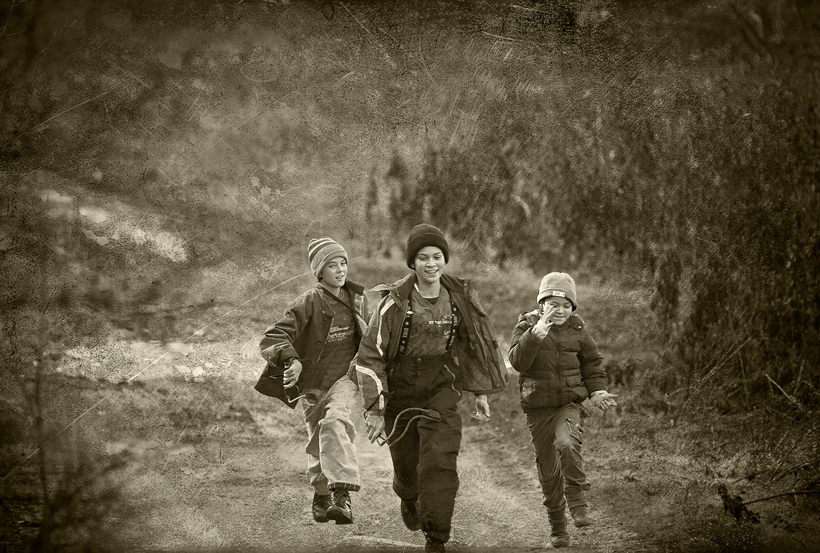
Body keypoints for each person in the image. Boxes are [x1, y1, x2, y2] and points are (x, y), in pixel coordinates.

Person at [352, 223, 508, 553]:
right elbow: (370, 355)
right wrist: (375, 410)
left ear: (445, 259)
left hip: (441, 385)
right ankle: (408, 497)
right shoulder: (394, 303)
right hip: (399, 390)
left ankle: (436, 537)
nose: (431, 264)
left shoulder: (459, 297)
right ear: (413, 262)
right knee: (407, 469)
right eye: (423, 257)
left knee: (439, 459)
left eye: (437, 256)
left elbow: (474, 344)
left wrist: (480, 392)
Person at [257, 237, 367, 525]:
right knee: (318, 437)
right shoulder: (309, 301)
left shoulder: (357, 299)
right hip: (313, 384)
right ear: (319, 272)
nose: (340, 270)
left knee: (335, 422)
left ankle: (342, 494)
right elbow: (273, 336)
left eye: (343, 263)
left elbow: (374, 337)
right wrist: (292, 361)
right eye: (332, 265)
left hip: (345, 379)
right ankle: (321, 494)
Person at [508, 272, 618, 548]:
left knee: (568, 444)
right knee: (548, 472)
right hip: (537, 409)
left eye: (566, 305)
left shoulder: (577, 329)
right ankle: (558, 528)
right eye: (553, 304)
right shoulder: (527, 326)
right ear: (541, 304)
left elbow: (592, 364)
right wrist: (536, 334)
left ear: (572, 307)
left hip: (568, 405)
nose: (560, 311)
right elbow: (517, 362)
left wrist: (597, 391)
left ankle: (578, 502)